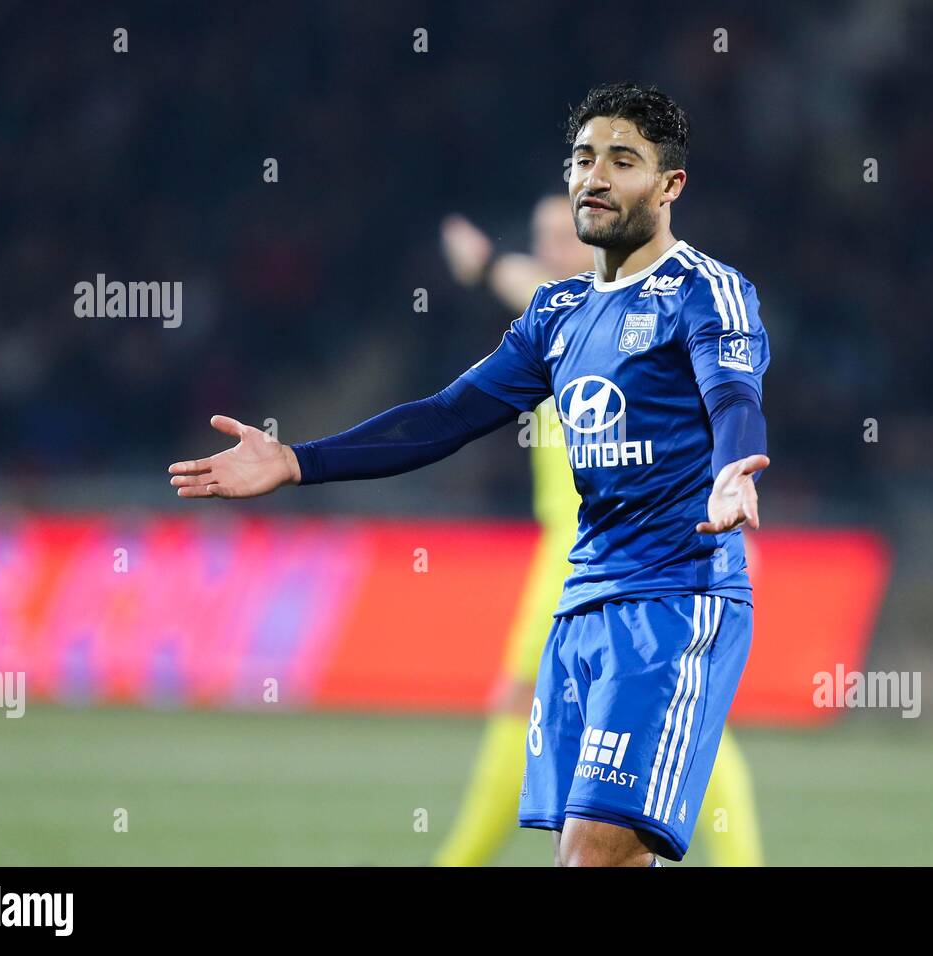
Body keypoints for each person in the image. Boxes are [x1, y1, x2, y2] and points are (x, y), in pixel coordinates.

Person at [168, 81, 771, 867]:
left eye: (623, 160)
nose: (595, 176)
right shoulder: (558, 314)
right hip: (582, 603)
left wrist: (734, 467)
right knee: (597, 857)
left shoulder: (705, 291)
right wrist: (296, 460)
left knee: (593, 854)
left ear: (670, 185)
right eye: (583, 158)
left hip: (674, 598)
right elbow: (446, 415)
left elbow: (732, 393)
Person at [433, 196, 763, 866]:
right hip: (574, 551)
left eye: (565, 234)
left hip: (616, 553)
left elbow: (718, 403)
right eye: (542, 236)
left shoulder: (640, 317)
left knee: (531, 709)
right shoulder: (556, 320)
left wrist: (485, 262)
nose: (552, 248)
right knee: (663, 718)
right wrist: (488, 265)